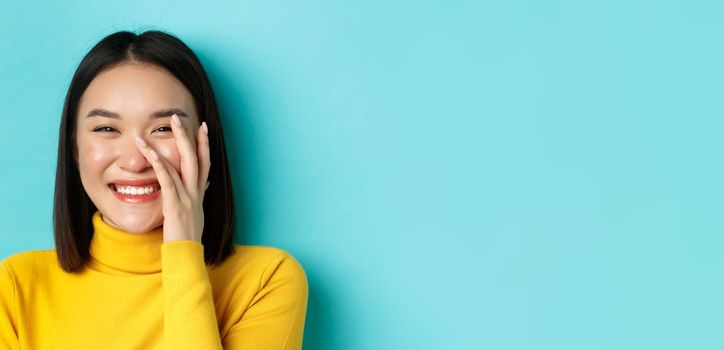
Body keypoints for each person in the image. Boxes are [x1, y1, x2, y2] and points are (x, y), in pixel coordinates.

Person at [0, 30, 308, 349]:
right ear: (74, 149)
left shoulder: (266, 281)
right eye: (107, 129)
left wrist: (183, 250)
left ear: (204, 145)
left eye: (163, 129)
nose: (135, 161)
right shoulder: (15, 288)